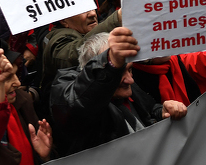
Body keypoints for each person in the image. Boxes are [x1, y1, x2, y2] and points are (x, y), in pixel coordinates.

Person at [50, 28, 186, 156]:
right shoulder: (67, 90)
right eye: (119, 73)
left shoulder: (127, 88)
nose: (130, 80)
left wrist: (162, 112)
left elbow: (148, 110)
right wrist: (110, 63)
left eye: (130, 69)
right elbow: (76, 108)